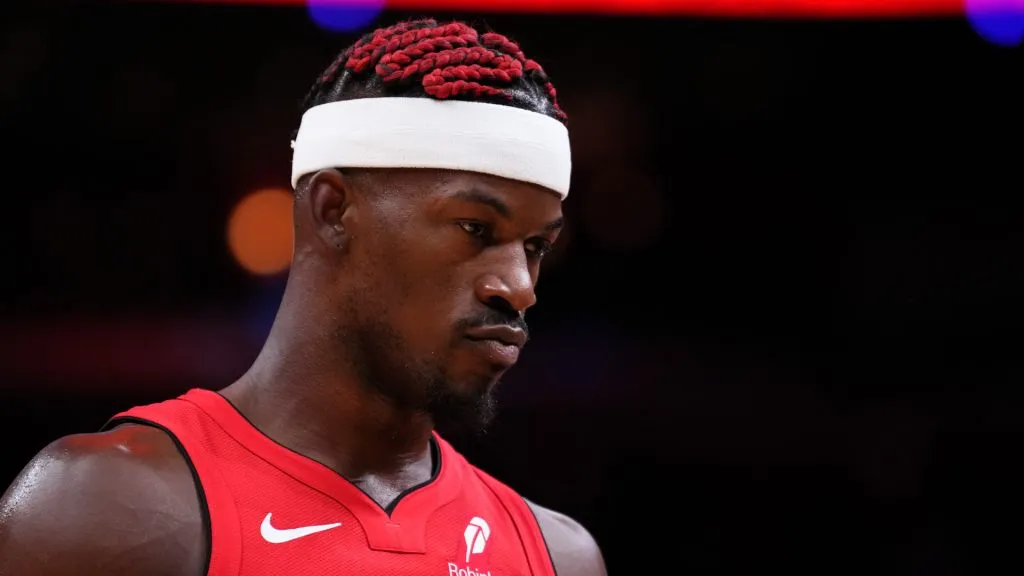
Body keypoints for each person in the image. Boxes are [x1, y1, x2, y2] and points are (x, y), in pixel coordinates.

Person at [0, 17, 605, 576]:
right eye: (476, 229)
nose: (520, 288)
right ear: (333, 210)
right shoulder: (105, 510)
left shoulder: (556, 557)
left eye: (535, 247)